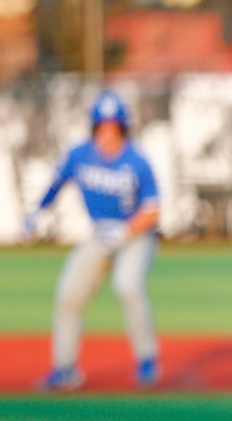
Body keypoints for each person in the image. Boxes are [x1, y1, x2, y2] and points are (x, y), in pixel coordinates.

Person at [23, 89, 162, 391]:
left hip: (136, 236)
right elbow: (56, 184)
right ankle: (65, 369)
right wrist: (38, 212)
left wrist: (125, 231)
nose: (108, 132)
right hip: (101, 235)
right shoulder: (80, 155)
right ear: (94, 127)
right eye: (103, 125)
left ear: (123, 128)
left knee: (127, 285)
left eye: (114, 126)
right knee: (68, 294)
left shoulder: (136, 161)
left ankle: (147, 360)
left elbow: (152, 210)